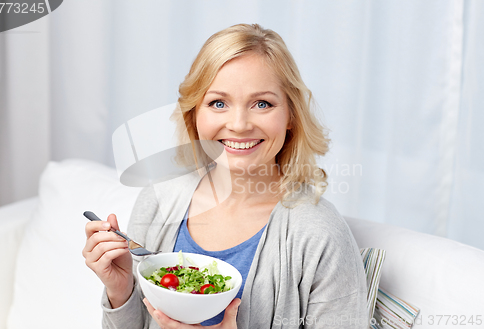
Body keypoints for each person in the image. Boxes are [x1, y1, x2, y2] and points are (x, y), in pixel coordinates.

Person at [83, 23, 368, 329]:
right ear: (195, 114)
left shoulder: (319, 235)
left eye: (262, 104)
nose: (239, 124)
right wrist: (120, 290)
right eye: (218, 103)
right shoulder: (158, 198)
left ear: (291, 116)